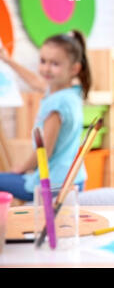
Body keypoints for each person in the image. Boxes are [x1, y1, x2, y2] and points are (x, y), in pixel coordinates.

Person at [0, 30, 91, 203]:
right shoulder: (69, 93)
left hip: (55, 185)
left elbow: (44, 152)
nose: (46, 68)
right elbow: (36, 81)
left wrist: (21, 168)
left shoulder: (57, 106)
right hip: (74, 178)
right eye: (43, 61)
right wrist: (8, 61)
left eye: (55, 64)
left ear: (74, 69)